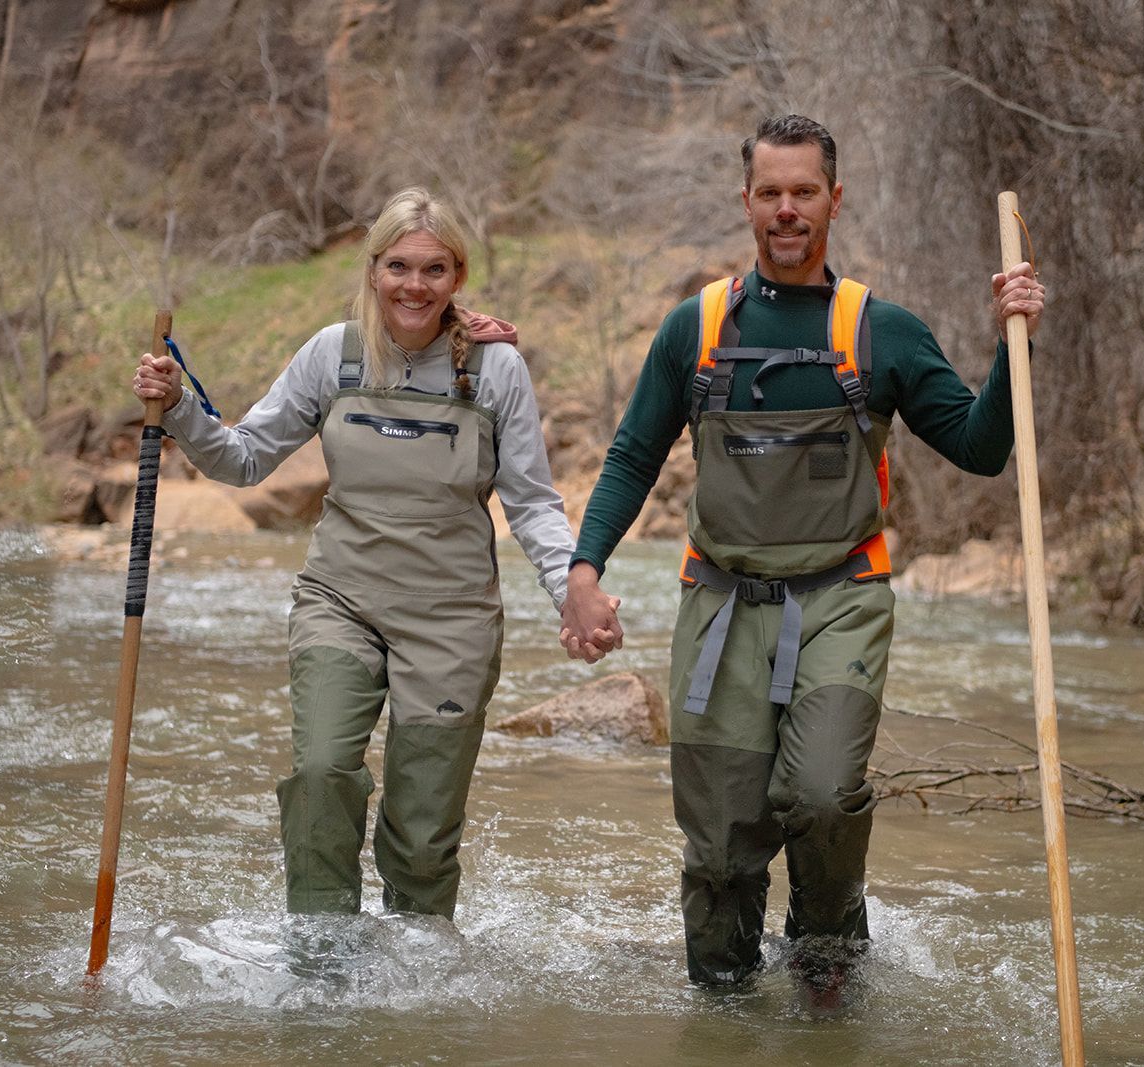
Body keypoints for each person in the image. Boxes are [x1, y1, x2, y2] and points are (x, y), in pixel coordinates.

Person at [560, 115, 1045, 987]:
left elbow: (982, 448)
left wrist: (1014, 345)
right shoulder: (696, 329)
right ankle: (727, 1006)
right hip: (719, 606)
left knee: (819, 796)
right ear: (746, 201)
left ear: (835, 199)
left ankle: (826, 963)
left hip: (841, 598)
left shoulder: (880, 331)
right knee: (718, 851)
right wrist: (584, 572)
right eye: (771, 193)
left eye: (805, 192)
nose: (788, 210)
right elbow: (634, 455)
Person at [132, 187, 620, 918]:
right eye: (398, 266)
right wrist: (179, 410)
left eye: (433, 269)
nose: (414, 285)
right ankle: (323, 964)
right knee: (323, 770)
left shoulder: (495, 371)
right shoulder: (333, 355)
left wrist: (572, 592)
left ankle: (413, 988)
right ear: (372, 271)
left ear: (457, 276)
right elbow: (243, 459)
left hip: (451, 620)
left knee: (423, 840)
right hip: (341, 602)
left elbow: (532, 503)